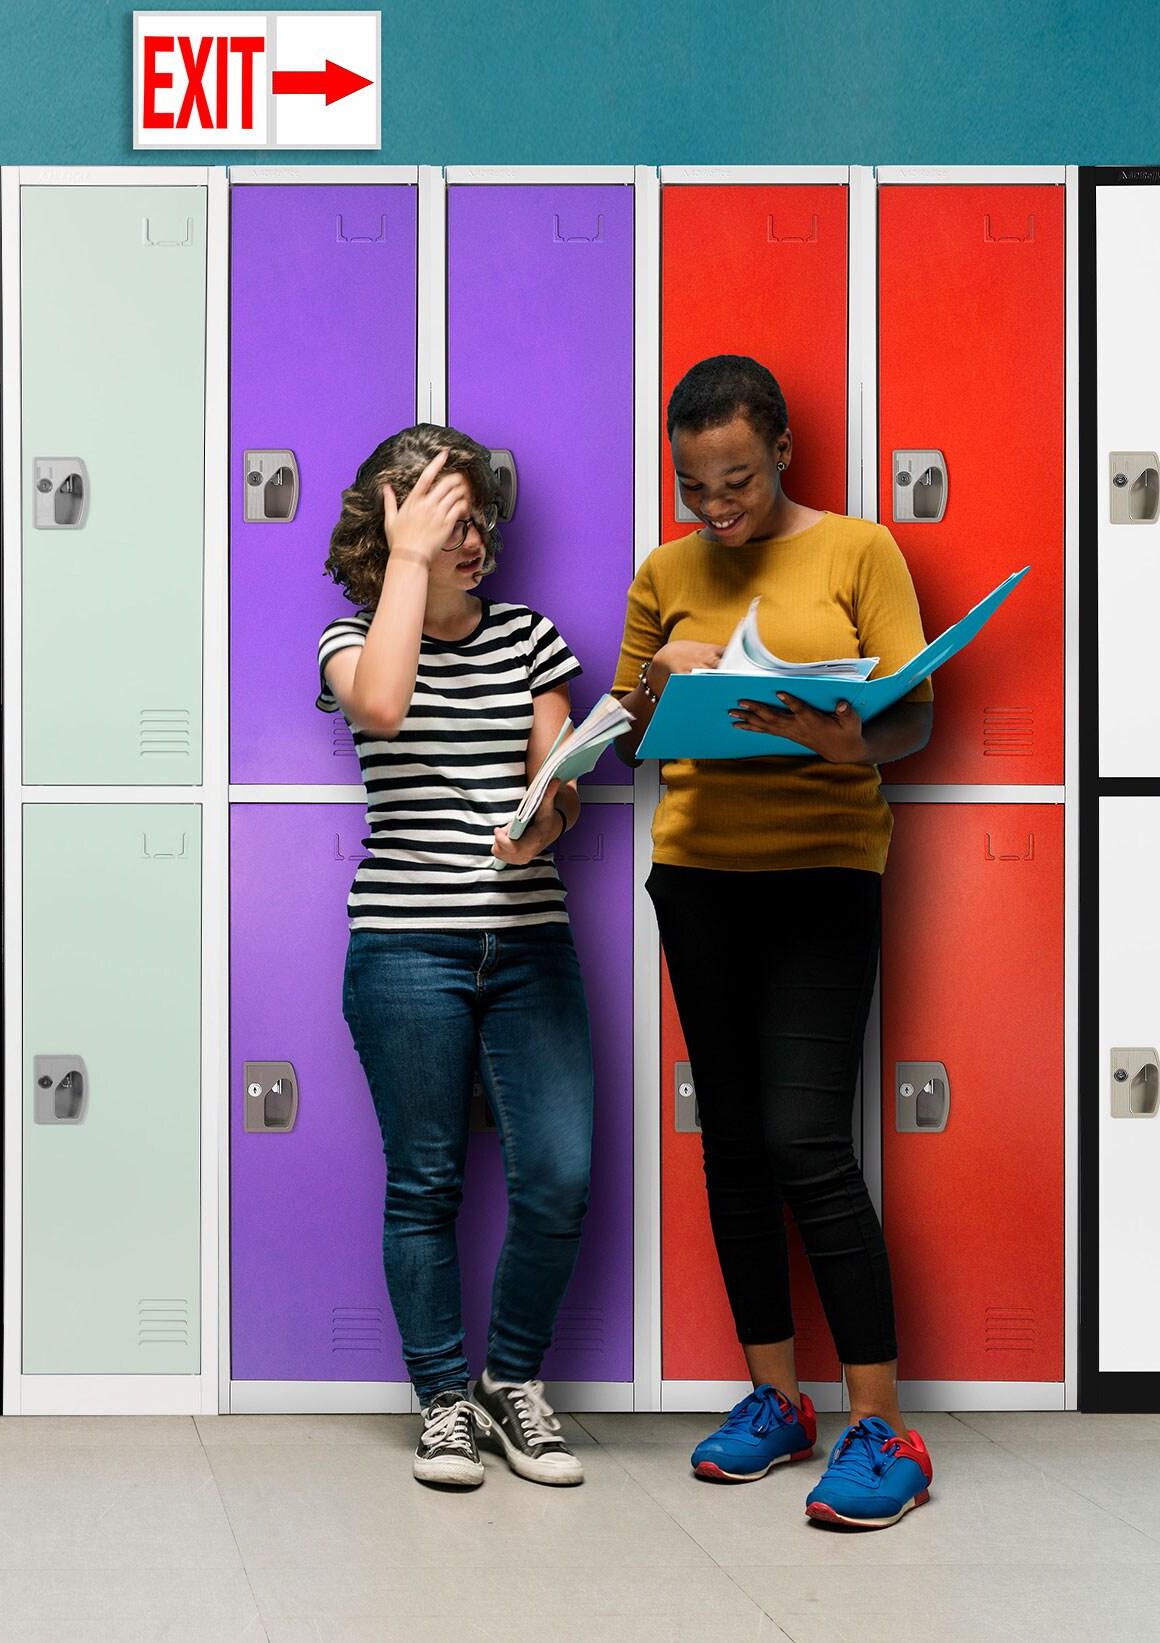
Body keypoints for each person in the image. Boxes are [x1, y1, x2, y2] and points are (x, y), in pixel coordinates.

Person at [611, 354, 937, 1530]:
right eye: (697, 487)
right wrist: (658, 676)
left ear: (783, 448)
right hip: (699, 879)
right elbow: (629, 734)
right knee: (735, 1142)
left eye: (737, 480)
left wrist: (853, 740)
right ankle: (774, 1398)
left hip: (822, 877)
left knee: (808, 1137)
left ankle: (883, 1423)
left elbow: (912, 709)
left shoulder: (859, 551)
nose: (717, 509)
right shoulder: (666, 569)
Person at [316, 425, 597, 1492]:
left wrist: (547, 821)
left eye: (479, 517)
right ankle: (442, 1400)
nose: (475, 537)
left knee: (558, 1174)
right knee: (425, 1182)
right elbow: (382, 705)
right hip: (404, 949)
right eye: (451, 519)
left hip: (530, 945)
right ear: (397, 525)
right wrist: (410, 560)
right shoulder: (349, 640)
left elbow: (556, 781)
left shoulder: (530, 637)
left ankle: (509, 1382)